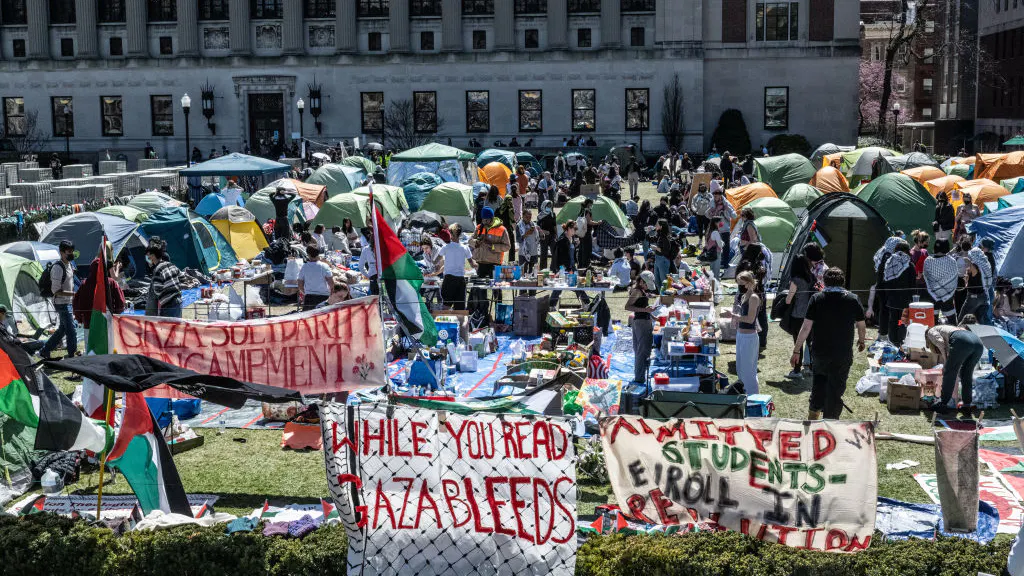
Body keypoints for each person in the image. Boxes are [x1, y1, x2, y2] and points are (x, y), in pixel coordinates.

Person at [791, 267, 867, 419]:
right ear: (842, 281)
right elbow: (861, 324)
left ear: (824, 281)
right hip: (842, 353)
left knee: (818, 385)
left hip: (820, 352)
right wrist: (861, 340)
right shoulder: (852, 299)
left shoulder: (817, 298)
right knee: (836, 389)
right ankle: (830, 423)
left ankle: (813, 420)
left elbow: (806, 327)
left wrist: (796, 350)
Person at [926, 316, 984, 415]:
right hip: (978, 343)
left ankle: (943, 404)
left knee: (950, 372)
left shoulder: (931, 331)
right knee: (966, 374)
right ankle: (967, 405)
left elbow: (940, 343)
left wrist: (946, 362)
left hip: (962, 340)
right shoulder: (949, 329)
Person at [38, 241, 78, 360]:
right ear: (61, 252)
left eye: (72, 251)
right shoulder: (57, 267)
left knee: (63, 330)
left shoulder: (70, 265)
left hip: (68, 302)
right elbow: (55, 290)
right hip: (61, 303)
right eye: (68, 251)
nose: (71, 254)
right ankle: (72, 356)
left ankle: (45, 350)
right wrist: (74, 294)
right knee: (71, 330)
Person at [784, 255, 816, 379]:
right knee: (811, 342)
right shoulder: (811, 278)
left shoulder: (795, 280)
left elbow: (788, 300)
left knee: (798, 343)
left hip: (797, 315)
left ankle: (797, 370)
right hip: (810, 314)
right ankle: (813, 368)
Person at [472, 206, 511, 302]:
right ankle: (482, 311)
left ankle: (499, 310)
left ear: (492, 218)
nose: (484, 222)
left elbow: (507, 246)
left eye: (486, 220)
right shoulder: (479, 227)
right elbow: (470, 240)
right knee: (480, 290)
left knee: (497, 290)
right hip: (481, 263)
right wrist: (476, 242)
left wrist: (493, 246)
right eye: (483, 219)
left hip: (495, 264)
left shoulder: (502, 229)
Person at [625, 271, 657, 385]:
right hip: (641, 323)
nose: (647, 286)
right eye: (646, 284)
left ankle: (641, 375)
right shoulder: (637, 291)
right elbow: (628, 306)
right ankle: (639, 378)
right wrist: (646, 310)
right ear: (641, 281)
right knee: (642, 352)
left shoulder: (641, 290)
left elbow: (641, 306)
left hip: (644, 320)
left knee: (642, 350)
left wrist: (652, 315)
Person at [882, 240, 916, 346]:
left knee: (893, 319)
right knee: (902, 321)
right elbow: (913, 284)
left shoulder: (889, 262)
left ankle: (893, 340)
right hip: (905, 299)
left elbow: (886, 280)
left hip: (892, 298)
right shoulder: (909, 264)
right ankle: (901, 341)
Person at [733, 271, 761, 395]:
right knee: (740, 368)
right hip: (741, 335)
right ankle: (744, 394)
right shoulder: (744, 296)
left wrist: (733, 316)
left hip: (749, 337)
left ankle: (753, 397)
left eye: (743, 284)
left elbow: (750, 319)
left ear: (749, 283)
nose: (741, 287)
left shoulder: (754, 298)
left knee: (749, 370)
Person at [437, 224, 476, 310]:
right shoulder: (465, 248)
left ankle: (445, 323)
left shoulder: (445, 247)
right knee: (460, 309)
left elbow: (435, 261)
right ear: (460, 234)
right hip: (460, 280)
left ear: (450, 234)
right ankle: (460, 323)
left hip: (448, 280)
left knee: (446, 307)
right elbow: (473, 265)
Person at [144, 238, 183, 318]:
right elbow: (182, 276)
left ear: (153, 256)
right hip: (178, 302)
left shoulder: (157, 270)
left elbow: (158, 290)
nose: (147, 257)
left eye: (148, 255)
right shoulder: (170, 264)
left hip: (168, 305)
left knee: (167, 328)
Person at [923, 238, 959, 322]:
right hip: (948, 296)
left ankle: (932, 335)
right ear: (947, 247)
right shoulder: (952, 261)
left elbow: (926, 278)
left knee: (932, 322)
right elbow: (954, 278)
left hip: (932, 295)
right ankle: (954, 334)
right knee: (952, 321)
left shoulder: (928, 260)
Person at [297, 246, 333, 310]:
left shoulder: (304, 267)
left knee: (308, 318)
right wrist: (331, 295)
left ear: (308, 254)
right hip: (324, 296)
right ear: (318, 254)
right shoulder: (324, 266)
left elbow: (300, 284)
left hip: (309, 297)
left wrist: (305, 293)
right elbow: (331, 283)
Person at [964, 247, 993, 324]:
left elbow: (967, 280)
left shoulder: (974, 266)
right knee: (980, 319)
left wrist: (968, 262)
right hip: (984, 295)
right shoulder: (986, 264)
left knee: (964, 317)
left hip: (973, 296)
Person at [651, 218, 676, 289]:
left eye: (657, 225)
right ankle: (661, 297)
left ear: (661, 226)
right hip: (658, 259)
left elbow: (666, 251)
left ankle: (666, 298)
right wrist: (649, 231)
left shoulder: (665, 237)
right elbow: (650, 239)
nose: (655, 226)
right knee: (657, 281)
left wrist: (656, 248)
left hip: (663, 260)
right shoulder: (659, 234)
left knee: (664, 282)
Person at [517, 209, 540, 275]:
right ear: (523, 216)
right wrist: (526, 234)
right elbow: (518, 240)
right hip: (523, 253)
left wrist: (540, 232)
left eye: (530, 217)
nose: (528, 219)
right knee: (523, 273)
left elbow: (538, 238)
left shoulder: (534, 225)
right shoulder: (519, 226)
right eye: (527, 217)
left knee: (533, 273)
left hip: (533, 252)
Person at [358, 229, 380, 296]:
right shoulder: (384, 248)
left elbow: (360, 266)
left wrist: (367, 275)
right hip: (385, 276)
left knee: (375, 300)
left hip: (373, 276)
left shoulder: (366, 249)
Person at [537, 200, 557, 271]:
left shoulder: (553, 214)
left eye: (550, 206)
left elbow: (555, 225)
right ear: (544, 206)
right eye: (548, 206)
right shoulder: (539, 216)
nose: (549, 207)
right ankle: (543, 269)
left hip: (552, 236)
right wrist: (544, 231)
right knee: (543, 254)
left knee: (554, 252)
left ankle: (553, 269)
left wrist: (556, 234)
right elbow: (537, 228)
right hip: (543, 237)